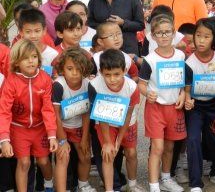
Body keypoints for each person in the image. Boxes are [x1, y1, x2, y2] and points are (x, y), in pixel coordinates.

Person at [0, 39, 58, 192]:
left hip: (40, 129)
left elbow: (48, 109)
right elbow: (4, 111)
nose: (31, 61)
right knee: (24, 163)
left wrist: (52, 134)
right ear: (17, 62)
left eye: (34, 57)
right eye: (25, 58)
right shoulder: (11, 81)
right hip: (18, 129)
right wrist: (4, 140)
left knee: (44, 161)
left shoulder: (45, 78)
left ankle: (48, 184)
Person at [138, 16, 186, 192]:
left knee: (170, 146)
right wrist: (147, 93)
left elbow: (184, 81)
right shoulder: (150, 60)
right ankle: (153, 185)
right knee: (157, 147)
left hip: (175, 107)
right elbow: (141, 84)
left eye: (167, 32)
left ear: (174, 33)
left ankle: (166, 177)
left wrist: (183, 93)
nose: (164, 36)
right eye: (159, 33)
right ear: (153, 36)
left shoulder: (181, 55)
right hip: (156, 108)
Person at [88, 49, 143, 192]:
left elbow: (127, 116)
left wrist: (118, 141)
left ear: (124, 70)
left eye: (116, 74)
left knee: (131, 153)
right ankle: (109, 189)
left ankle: (132, 185)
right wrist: (108, 142)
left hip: (127, 121)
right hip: (105, 122)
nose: (112, 79)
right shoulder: (95, 85)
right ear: (100, 71)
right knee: (108, 153)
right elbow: (101, 115)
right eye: (107, 75)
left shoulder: (132, 87)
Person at [184, 18, 215, 192]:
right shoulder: (188, 62)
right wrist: (187, 99)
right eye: (198, 35)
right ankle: (195, 182)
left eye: (207, 36)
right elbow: (186, 88)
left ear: (214, 38)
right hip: (195, 108)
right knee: (193, 139)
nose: (201, 40)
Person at [52, 48, 95, 192]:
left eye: (78, 68)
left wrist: (84, 138)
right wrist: (62, 140)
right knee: (63, 157)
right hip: (61, 127)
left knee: (86, 156)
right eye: (70, 68)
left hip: (78, 127)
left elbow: (86, 113)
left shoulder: (87, 84)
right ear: (62, 69)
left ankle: (83, 184)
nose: (75, 73)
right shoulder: (58, 86)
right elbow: (55, 115)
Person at [18, 8, 59, 77]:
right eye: (28, 31)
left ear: (44, 30)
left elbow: (55, 77)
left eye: (37, 31)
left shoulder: (53, 55)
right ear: (21, 32)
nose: (33, 36)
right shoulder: (17, 53)